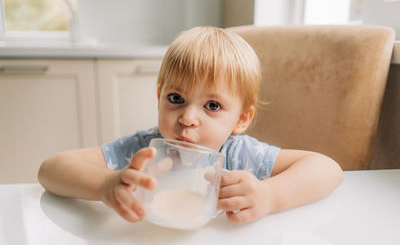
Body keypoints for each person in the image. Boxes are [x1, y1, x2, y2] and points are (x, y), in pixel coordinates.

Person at [38, 26, 343, 225]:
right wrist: (106, 186)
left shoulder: (240, 156)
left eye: (212, 106)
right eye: (176, 98)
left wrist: (270, 195)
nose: (187, 118)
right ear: (159, 97)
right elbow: (50, 170)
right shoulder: (144, 151)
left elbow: (328, 168)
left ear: (241, 119)